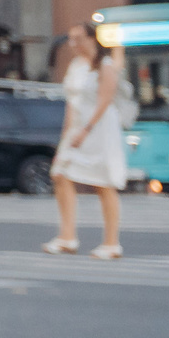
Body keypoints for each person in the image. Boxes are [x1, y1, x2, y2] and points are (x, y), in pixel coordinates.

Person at [44, 21, 126, 260]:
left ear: (92, 39)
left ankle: (111, 243)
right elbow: (72, 103)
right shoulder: (76, 66)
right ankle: (67, 236)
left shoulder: (105, 65)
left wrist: (87, 129)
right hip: (77, 129)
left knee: (103, 183)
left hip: (99, 130)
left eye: (78, 39)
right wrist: (67, 135)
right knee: (60, 174)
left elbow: (105, 101)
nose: (74, 44)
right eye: (71, 39)